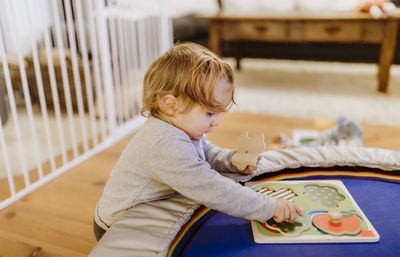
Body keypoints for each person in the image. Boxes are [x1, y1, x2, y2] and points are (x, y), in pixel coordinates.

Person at [93, 42, 302, 241]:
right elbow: (212, 188)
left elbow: (206, 152)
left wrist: (232, 159)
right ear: (170, 104)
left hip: (147, 210)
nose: (216, 122)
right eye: (210, 113)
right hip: (120, 226)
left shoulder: (179, 126)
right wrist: (268, 206)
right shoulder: (165, 145)